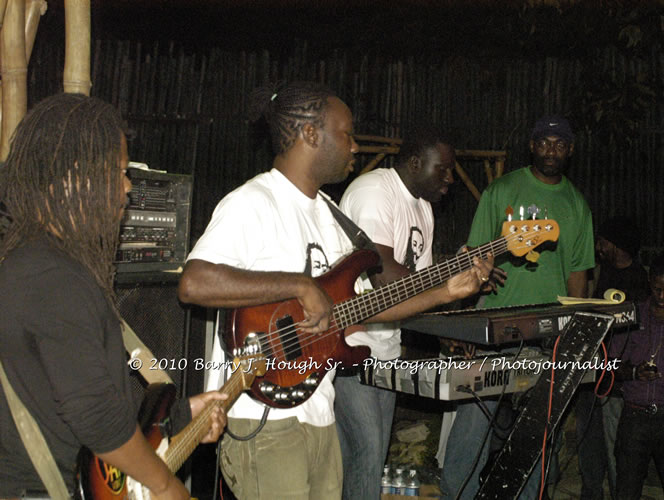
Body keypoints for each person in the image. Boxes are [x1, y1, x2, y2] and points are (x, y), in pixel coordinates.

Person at [177, 82, 495, 500]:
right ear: (310, 134)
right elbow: (194, 282)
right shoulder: (255, 202)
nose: (355, 147)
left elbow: (360, 309)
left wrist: (446, 293)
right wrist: (299, 284)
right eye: (346, 133)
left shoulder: (330, 217)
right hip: (264, 415)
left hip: (318, 407)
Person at [0, 93, 227, 499]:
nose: (127, 188)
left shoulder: (39, 264)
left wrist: (180, 413)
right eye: (119, 172)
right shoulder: (53, 278)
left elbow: (79, 393)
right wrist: (166, 486)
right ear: (71, 177)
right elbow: (96, 417)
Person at [335, 126, 499, 499]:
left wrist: (457, 294)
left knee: (369, 461)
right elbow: (385, 278)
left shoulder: (423, 208)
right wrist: (447, 284)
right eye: (442, 169)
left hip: (386, 349)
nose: (450, 178)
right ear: (414, 163)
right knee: (366, 455)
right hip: (349, 346)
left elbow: (419, 287)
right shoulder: (375, 191)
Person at [440, 115, 595, 500]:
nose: (551, 150)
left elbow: (578, 279)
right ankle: (456, 494)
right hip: (494, 326)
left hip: (545, 334)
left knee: (537, 430)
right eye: (545, 142)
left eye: (560, 144)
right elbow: (473, 261)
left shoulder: (576, 205)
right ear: (532, 145)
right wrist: (467, 325)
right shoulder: (501, 190)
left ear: (570, 150)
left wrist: (572, 337)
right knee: (473, 425)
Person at [577, 215, 649, 500]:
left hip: (616, 379)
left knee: (616, 448)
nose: (598, 246)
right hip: (593, 368)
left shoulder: (640, 282)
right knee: (589, 442)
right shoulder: (602, 271)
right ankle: (590, 492)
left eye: (603, 241)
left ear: (617, 244)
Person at [613, 254, 664, 500]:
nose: (662, 297)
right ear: (650, 283)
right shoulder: (634, 316)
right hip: (635, 416)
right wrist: (633, 372)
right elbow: (611, 364)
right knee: (627, 491)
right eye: (657, 289)